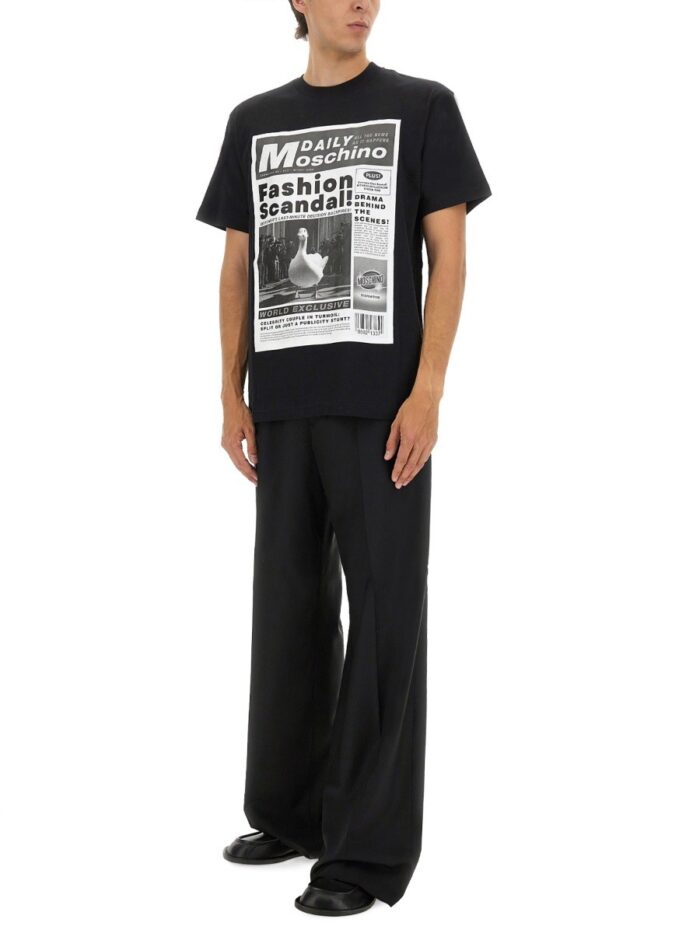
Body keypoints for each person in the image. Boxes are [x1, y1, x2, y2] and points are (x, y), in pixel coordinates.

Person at [195, 0, 491, 917]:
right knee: (288, 609)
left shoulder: (423, 106)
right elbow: (238, 265)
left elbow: (449, 259)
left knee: (387, 616)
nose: (363, 2)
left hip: (382, 411)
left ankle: (364, 853)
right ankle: (290, 811)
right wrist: (230, 391)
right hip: (283, 408)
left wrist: (428, 391)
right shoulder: (255, 120)